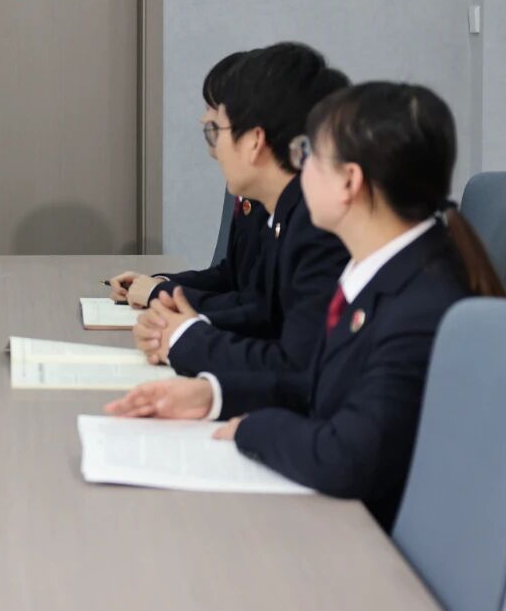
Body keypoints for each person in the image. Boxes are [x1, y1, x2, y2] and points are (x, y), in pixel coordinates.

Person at [106, 82, 505, 529]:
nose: (298, 170)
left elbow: (347, 455)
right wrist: (214, 396)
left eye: (308, 154)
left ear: (350, 182)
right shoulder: (386, 269)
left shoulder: (421, 302)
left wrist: (251, 429)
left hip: (369, 541)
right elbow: (313, 382)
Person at [132, 43, 351, 375]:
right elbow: (263, 316)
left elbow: (295, 367)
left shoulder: (314, 226)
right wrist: (184, 331)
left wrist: (183, 337)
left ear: (255, 141)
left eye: (216, 130)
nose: (215, 147)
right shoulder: (288, 214)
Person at [108, 51, 268, 317]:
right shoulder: (251, 195)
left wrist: (161, 296)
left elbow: (260, 311)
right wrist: (160, 285)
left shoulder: (295, 212)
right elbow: (231, 276)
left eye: (213, 115)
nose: (204, 120)